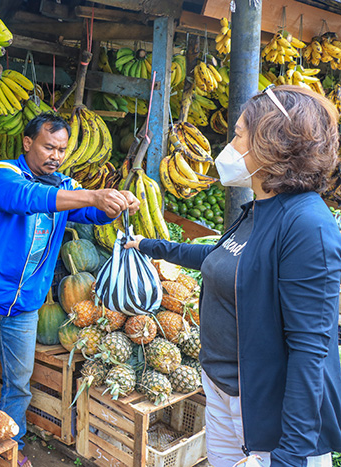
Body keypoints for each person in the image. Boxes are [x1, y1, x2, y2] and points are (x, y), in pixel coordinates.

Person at [125, 85, 341, 467]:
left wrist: (289, 457)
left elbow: (311, 350)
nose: (230, 144)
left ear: (270, 142)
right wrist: (151, 245)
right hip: (224, 393)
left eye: (239, 133)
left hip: (264, 414)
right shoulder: (259, 208)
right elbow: (224, 258)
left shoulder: (308, 225)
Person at [0, 113, 139, 465]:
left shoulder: (65, 185)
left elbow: (91, 215)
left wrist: (114, 205)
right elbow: (28, 199)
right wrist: (90, 195)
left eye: (62, 149)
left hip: (26, 304)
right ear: (28, 143)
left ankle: (12, 447)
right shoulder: (2, 174)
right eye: (49, 146)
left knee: (19, 384)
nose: (56, 155)